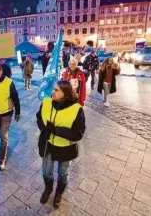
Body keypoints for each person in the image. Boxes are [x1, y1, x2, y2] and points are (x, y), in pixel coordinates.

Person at [36, 80, 86, 208]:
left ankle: (59, 193)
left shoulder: (77, 109)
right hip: (47, 145)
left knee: (63, 174)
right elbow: (39, 118)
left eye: (56, 90)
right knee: (46, 171)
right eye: (53, 89)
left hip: (65, 148)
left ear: (66, 93)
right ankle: (48, 189)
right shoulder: (46, 102)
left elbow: (78, 134)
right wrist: (44, 129)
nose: (53, 92)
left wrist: (57, 131)